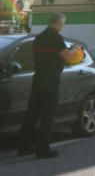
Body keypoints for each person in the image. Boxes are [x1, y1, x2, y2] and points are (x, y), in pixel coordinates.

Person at [18, 13, 78, 158]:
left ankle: (24, 146)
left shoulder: (38, 38)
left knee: (32, 113)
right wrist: (74, 50)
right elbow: (66, 56)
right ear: (58, 23)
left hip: (38, 78)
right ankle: (43, 149)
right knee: (47, 115)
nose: (62, 27)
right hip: (51, 79)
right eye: (62, 24)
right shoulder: (56, 37)